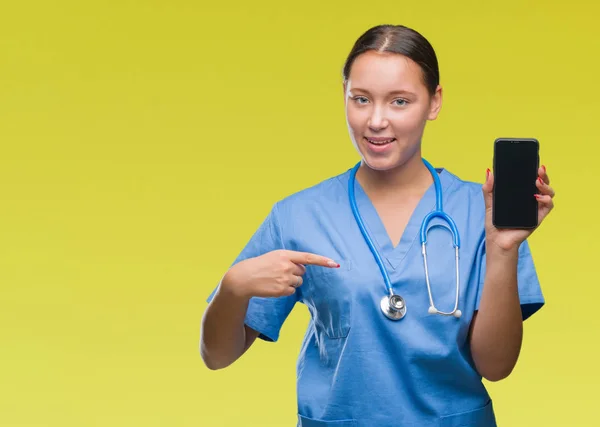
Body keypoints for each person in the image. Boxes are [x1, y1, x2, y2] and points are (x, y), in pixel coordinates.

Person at [200, 24, 555, 427]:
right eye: (361, 99)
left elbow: (496, 366)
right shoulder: (299, 215)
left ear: (434, 102)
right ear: (345, 98)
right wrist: (232, 288)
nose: (376, 121)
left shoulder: (481, 212)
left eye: (400, 101)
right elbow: (217, 356)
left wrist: (503, 248)